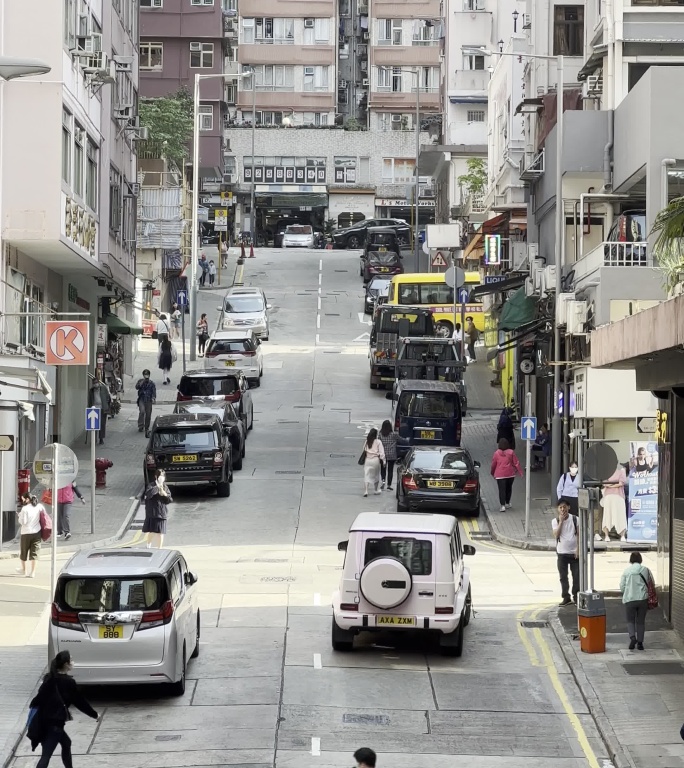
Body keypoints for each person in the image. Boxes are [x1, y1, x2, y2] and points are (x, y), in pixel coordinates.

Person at [28, 651, 98, 768]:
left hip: (44, 720)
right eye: (71, 660)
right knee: (46, 755)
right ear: (66, 664)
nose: (73, 662)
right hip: (54, 724)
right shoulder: (68, 682)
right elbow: (80, 702)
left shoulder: (48, 678)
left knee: (66, 743)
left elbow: (39, 698)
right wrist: (94, 714)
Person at [619, 551, 653, 650]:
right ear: (640, 559)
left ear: (631, 560)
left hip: (630, 599)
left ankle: (632, 637)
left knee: (630, 620)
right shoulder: (646, 570)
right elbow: (651, 583)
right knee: (641, 621)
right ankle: (640, 643)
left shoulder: (626, 571)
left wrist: (627, 591)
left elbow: (622, 586)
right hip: (643, 599)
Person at [552, 501, 579, 605]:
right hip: (562, 553)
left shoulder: (575, 519)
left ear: (568, 507)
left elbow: (579, 535)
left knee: (576, 576)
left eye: (564, 507)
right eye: (560, 507)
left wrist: (578, 550)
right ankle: (566, 597)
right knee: (563, 577)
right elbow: (556, 534)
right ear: (558, 509)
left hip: (574, 553)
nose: (562, 509)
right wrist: (561, 522)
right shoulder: (555, 521)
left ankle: (576, 596)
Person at [16, 493, 44, 578]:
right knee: (34, 553)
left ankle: (24, 570)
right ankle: (33, 572)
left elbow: (23, 522)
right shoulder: (39, 506)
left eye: (23, 499)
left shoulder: (25, 509)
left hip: (26, 533)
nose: (23, 501)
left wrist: (19, 516)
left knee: (24, 552)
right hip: (37, 532)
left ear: (27, 499)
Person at [490, 438, 522, 512]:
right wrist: (519, 471)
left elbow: (493, 464)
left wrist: (492, 472)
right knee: (509, 488)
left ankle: (502, 506)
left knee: (502, 490)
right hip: (510, 474)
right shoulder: (511, 452)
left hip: (500, 475)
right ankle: (507, 503)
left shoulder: (496, 453)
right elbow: (516, 462)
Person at [143, 469, 172, 548]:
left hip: (162, 513)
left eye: (163, 476)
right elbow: (148, 495)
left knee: (160, 532)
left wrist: (165, 494)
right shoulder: (151, 485)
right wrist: (157, 487)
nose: (161, 478)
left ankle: (159, 549)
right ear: (156, 476)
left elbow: (169, 500)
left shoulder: (165, 487)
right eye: (160, 476)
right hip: (152, 513)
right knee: (152, 532)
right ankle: (148, 545)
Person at [601, 465, 628, 542]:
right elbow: (604, 483)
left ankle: (622, 535)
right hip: (608, 496)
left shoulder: (622, 471)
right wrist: (612, 485)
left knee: (620, 515)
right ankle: (606, 535)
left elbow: (621, 483)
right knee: (607, 515)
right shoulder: (606, 472)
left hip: (619, 496)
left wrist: (610, 485)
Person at [378, 419, 407, 492]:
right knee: (390, 470)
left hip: (383, 455)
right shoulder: (394, 434)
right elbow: (402, 440)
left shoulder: (380, 434)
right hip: (392, 455)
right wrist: (407, 440)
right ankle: (389, 485)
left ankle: (383, 481)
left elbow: (378, 443)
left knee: (383, 469)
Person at [87, 374, 111, 446]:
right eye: (94, 383)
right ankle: (94, 439)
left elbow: (108, 397)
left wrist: (106, 406)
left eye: (96, 383)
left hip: (102, 408)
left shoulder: (103, 388)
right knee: (93, 425)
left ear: (99, 382)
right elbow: (90, 400)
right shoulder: (91, 391)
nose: (95, 384)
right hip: (94, 408)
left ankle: (101, 438)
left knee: (102, 424)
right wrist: (90, 407)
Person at [361, 428, 385, 497]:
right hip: (375, 460)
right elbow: (382, 453)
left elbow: (364, 449)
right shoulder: (378, 442)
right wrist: (383, 461)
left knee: (366, 474)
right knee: (376, 475)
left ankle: (366, 491)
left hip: (368, 460)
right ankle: (375, 489)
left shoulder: (367, 441)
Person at [135, 369, 157, 438]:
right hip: (142, 399)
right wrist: (142, 382)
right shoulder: (140, 381)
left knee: (148, 414)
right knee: (142, 411)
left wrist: (153, 398)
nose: (146, 376)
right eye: (145, 374)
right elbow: (137, 387)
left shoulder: (152, 383)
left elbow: (154, 391)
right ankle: (141, 425)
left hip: (149, 400)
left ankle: (147, 427)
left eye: (147, 375)